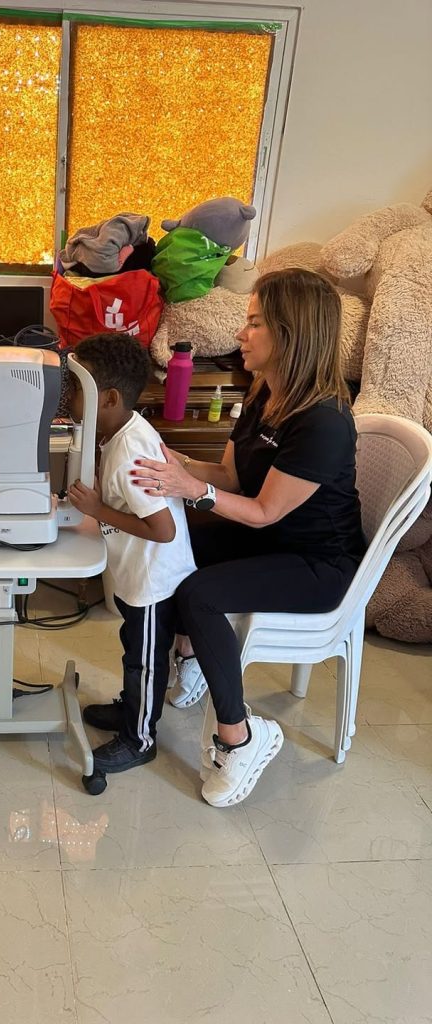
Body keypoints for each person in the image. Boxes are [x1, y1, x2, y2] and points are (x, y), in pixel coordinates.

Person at [132, 268, 367, 807]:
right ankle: (188, 657)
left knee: (200, 593)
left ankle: (240, 737)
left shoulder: (324, 421)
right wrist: (174, 461)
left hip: (319, 565)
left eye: (255, 323)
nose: (242, 333)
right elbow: (232, 480)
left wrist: (190, 488)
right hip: (272, 539)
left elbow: (262, 512)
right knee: (170, 543)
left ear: (290, 333)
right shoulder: (265, 394)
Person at [67, 332, 197, 777]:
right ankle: (130, 707)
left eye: (76, 387)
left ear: (108, 398)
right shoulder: (121, 432)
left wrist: (97, 509)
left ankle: (139, 739)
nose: (69, 395)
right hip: (136, 574)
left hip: (154, 580)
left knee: (145, 660)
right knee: (133, 649)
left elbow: (163, 529)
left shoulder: (129, 452)